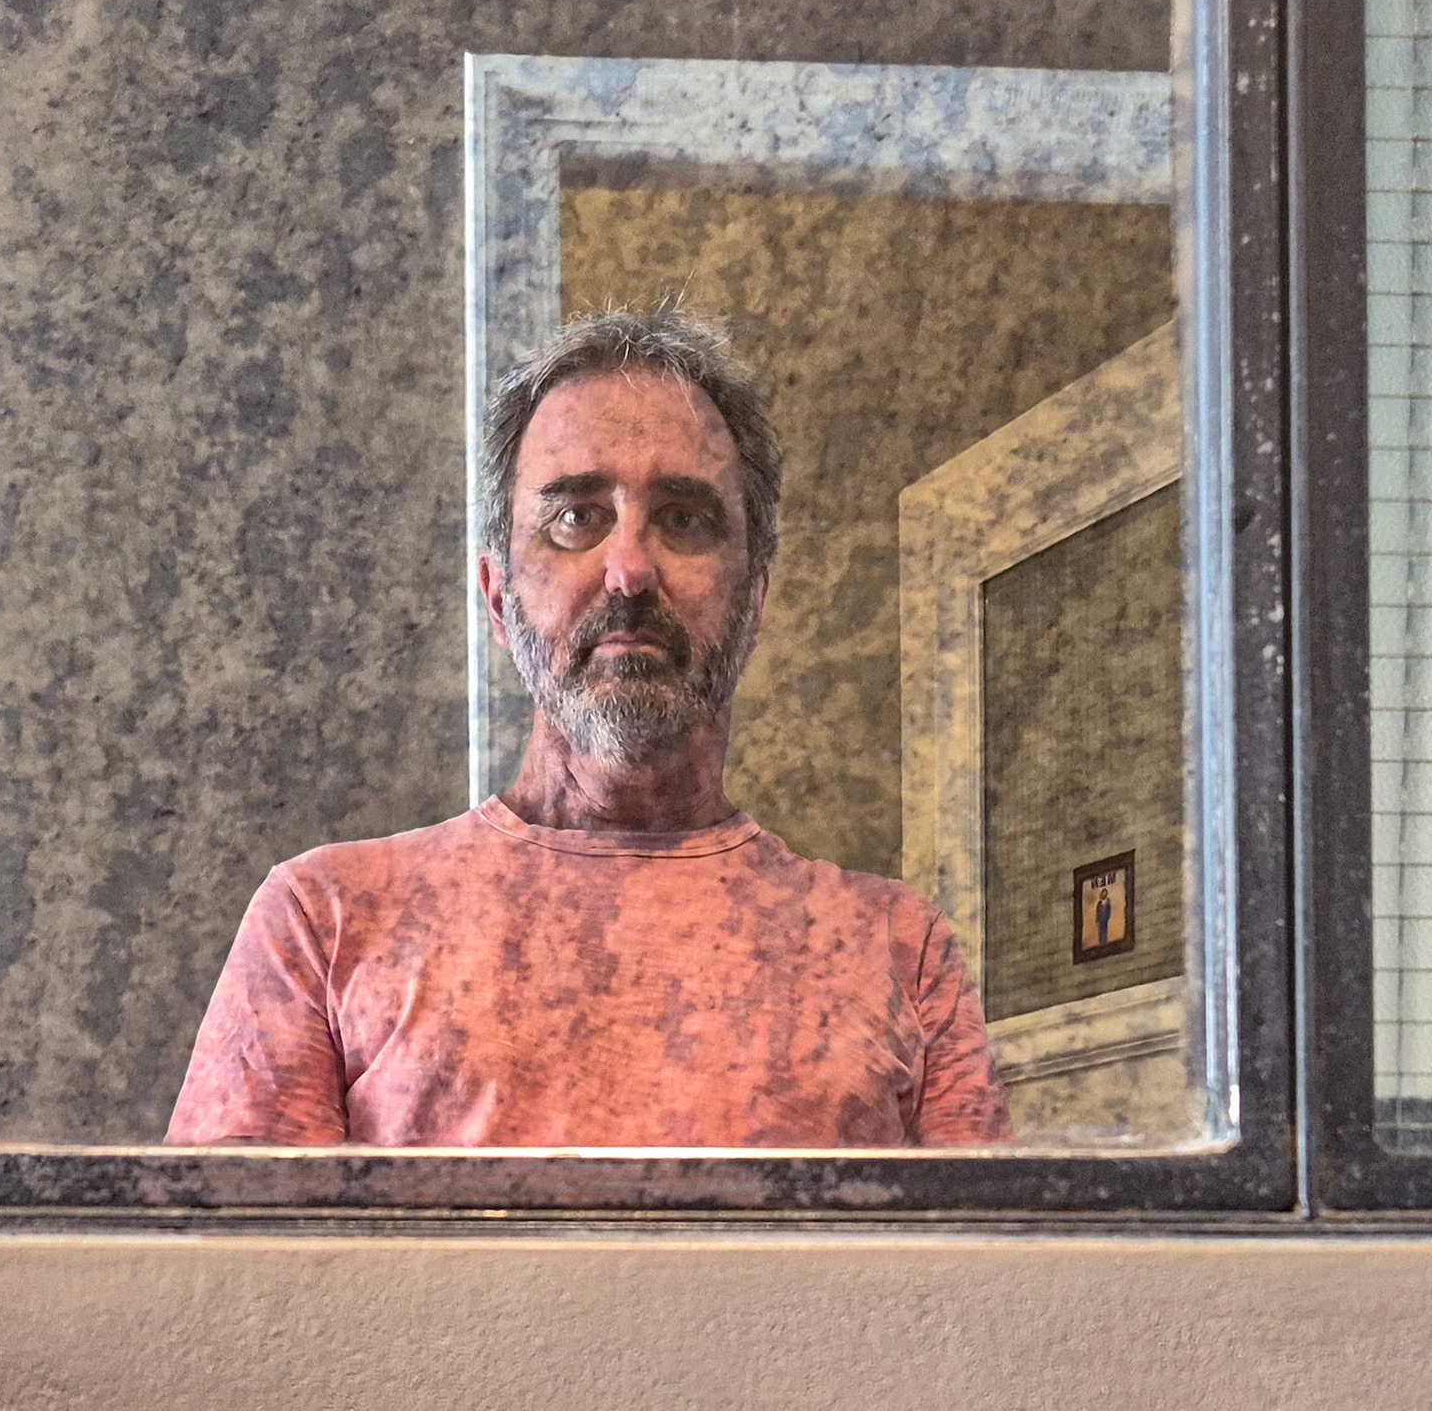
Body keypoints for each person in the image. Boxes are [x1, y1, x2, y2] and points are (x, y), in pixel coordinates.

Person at [166, 306, 1011, 1148]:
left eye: (684, 519)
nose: (629, 570)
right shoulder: (326, 924)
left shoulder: (898, 951)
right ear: (499, 597)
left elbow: (988, 1245)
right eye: (576, 517)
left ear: (753, 598)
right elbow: (238, 1243)